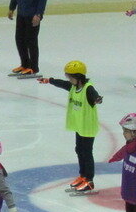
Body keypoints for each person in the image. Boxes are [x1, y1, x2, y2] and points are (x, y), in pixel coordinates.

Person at [39, 60, 102, 194]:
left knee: (87, 152)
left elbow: (95, 96)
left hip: (88, 127)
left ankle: (89, 181)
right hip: (79, 126)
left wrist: (97, 99)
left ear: (78, 77)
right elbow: (62, 84)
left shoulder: (88, 88)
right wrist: (49, 80)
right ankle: (83, 176)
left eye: (70, 77)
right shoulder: (73, 86)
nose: (69, 79)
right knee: (79, 150)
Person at [8, 0, 48, 78]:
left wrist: (39, 14)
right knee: (19, 39)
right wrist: (12, 7)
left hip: (33, 14)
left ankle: (34, 67)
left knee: (31, 41)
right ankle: (24, 64)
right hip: (22, 13)